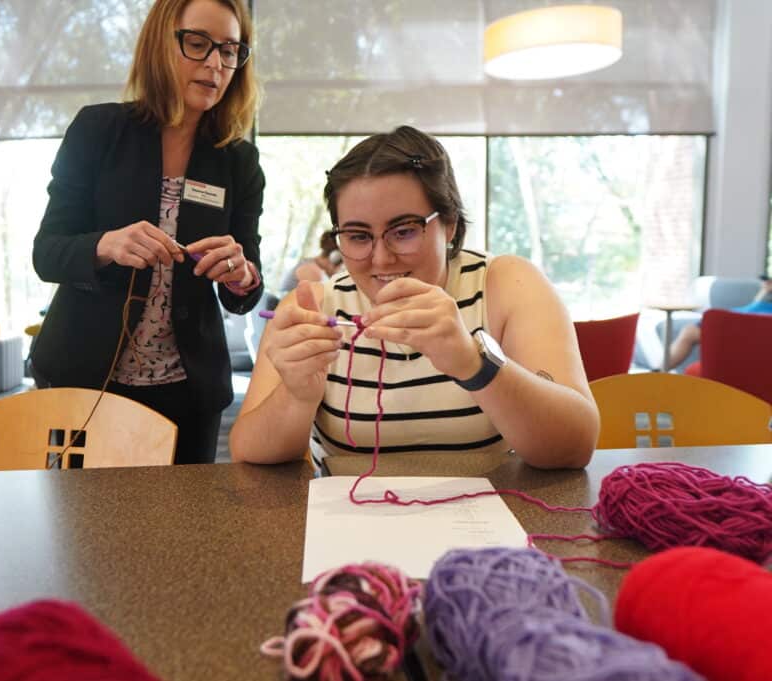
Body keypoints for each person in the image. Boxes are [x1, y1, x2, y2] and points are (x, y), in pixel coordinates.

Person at [230, 126, 599, 469]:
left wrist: (473, 364)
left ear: (450, 223)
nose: (381, 258)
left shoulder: (506, 285)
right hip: (351, 528)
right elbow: (248, 453)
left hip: (489, 526)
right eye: (358, 236)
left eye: (404, 231)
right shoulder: (314, 306)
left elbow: (576, 444)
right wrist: (296, 396)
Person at [31, 0, 265, 465]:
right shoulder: (98, 130)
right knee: (83, 524)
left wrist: (242, 275)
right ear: (161, 43)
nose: (215, 64)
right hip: (88, 376)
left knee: (181, 528)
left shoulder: (237, 159)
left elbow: (247, 285)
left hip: (189, 385)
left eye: (230, 51)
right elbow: (47, 253)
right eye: (198, 44)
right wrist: (105, 245)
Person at [666, 276, 772, 368]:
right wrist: (765, 290)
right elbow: (756, 304)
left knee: (691, 332)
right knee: (689, 331)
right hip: (731, 319)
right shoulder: (765, 297)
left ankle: (660, 371)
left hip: (748, 327)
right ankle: (659, 371)